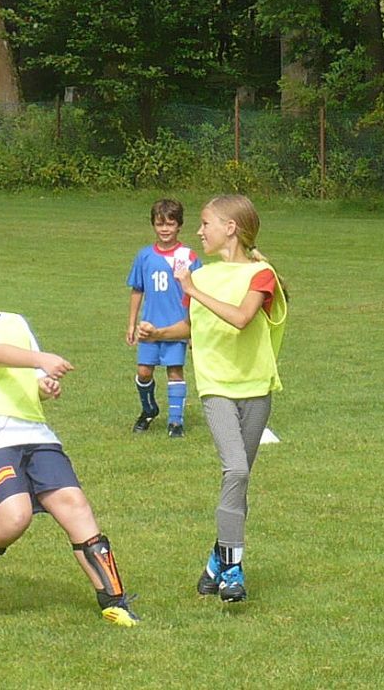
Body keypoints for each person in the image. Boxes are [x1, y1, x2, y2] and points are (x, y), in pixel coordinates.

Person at [0, 257, 140, 627]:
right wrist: (41, 358)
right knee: (15, 516)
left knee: (75, 504)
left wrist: (44, 386)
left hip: (35, 433)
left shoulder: (15, 321)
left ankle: (114, 600)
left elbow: (32, 379)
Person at [137, 195, 287, 603]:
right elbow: (188, 326)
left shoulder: (262, 274)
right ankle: (234, 568)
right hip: (216, 387)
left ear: (230, 228)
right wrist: (158, 334)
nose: (199, 231)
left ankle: (215, 561)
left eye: (205, 223)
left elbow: (241, 319)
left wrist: (190, 288)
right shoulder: (200, 278)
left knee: (238, 482)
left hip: (256, 389)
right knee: (236, 470)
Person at [125, 199, 201, 438]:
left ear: (179, 225)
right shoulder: (145, 256)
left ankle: (175, 421)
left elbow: (197, 294)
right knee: (144, 371)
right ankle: (148, 410)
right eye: (160, 224)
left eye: (170, 224)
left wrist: (194, 330)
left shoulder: (187, 256)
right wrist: (131, 324)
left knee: (175, 371)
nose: (165, 229)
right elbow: (137, 290)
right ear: (153, 225)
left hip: (177, 326)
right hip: (149, 327)